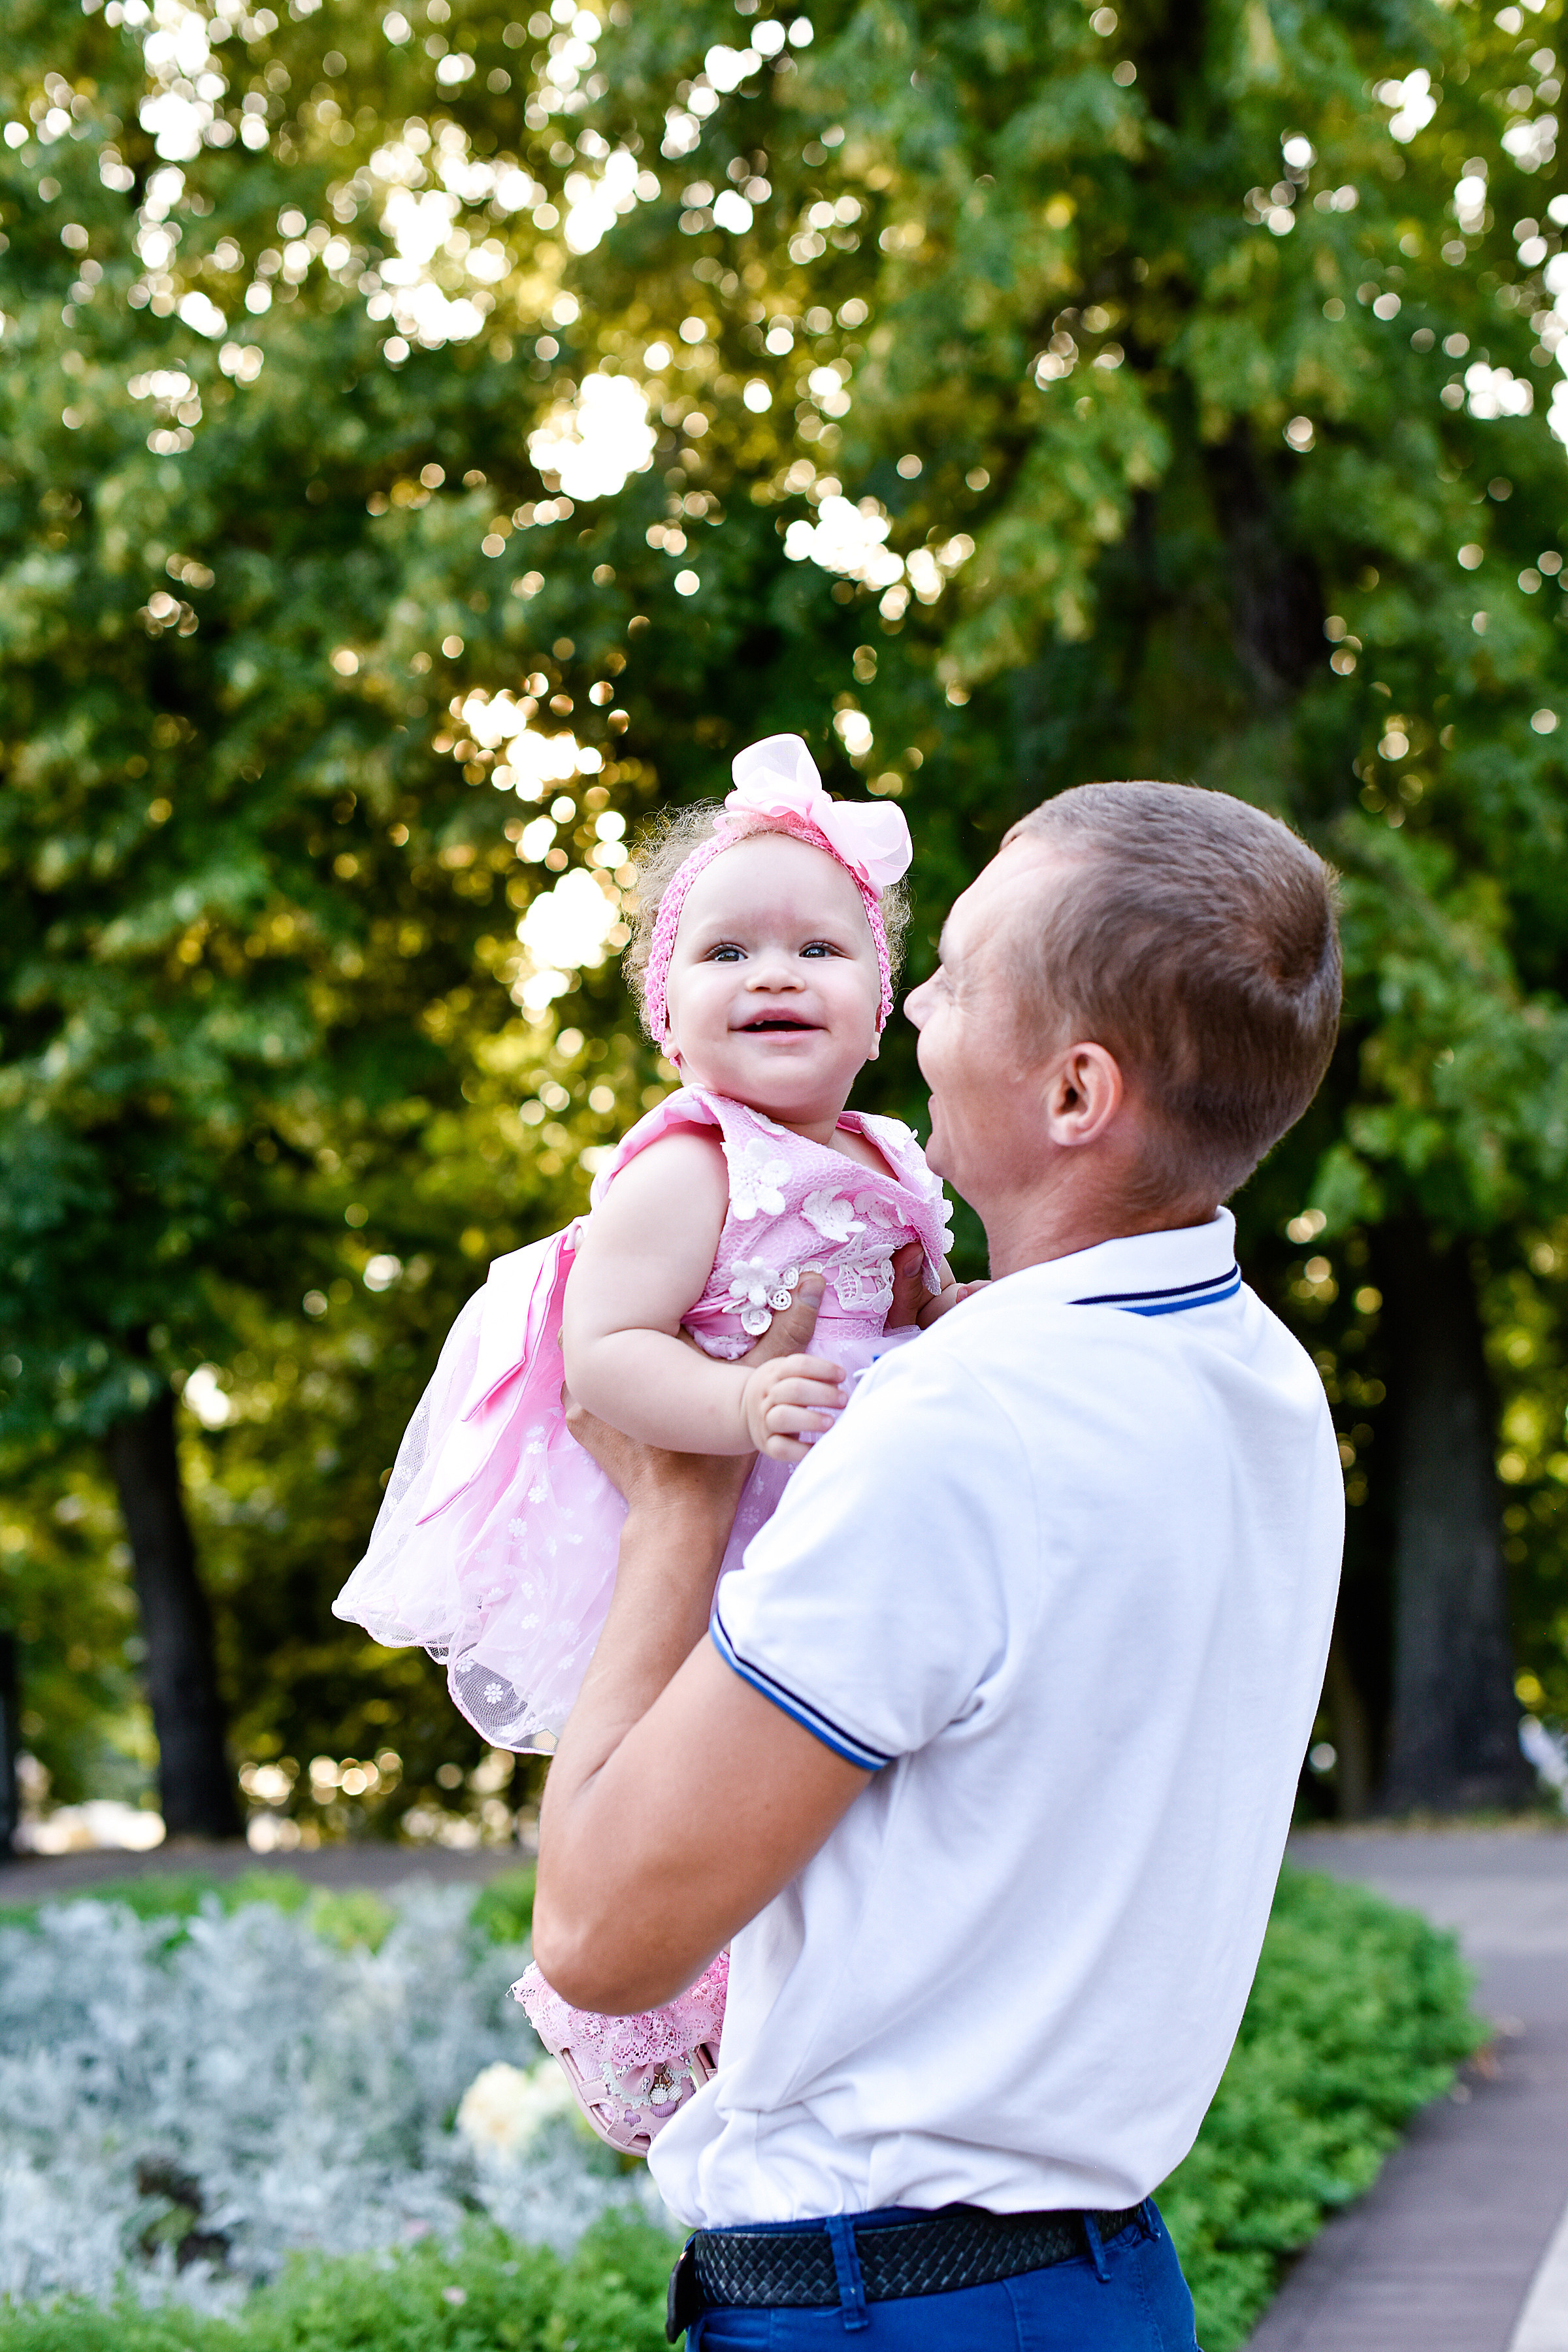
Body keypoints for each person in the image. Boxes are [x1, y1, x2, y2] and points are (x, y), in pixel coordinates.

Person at [531, 779, 1347, 2349]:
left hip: (883, 2306)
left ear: (1075, 1094)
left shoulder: (958, 1432)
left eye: (960, 978)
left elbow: (601, 1938)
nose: (914, 1018)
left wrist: (679, 1510)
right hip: (1105, 2287)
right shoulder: (1264, 1385)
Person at [335, 732, 956, 2151]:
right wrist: (734, 1405)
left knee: (835, 1812)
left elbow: (910, 1307)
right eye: (727, 952)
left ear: (878, 1014)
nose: (775, 975)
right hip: (726, 1543)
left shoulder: (891, 1163)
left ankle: (813, 2026)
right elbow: (603, 1358)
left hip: (846, 1528)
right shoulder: (691, 1167)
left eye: (819, 949)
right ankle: (684, 2037)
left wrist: (953, 1312)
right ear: (667, 1019)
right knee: (709, 1794)